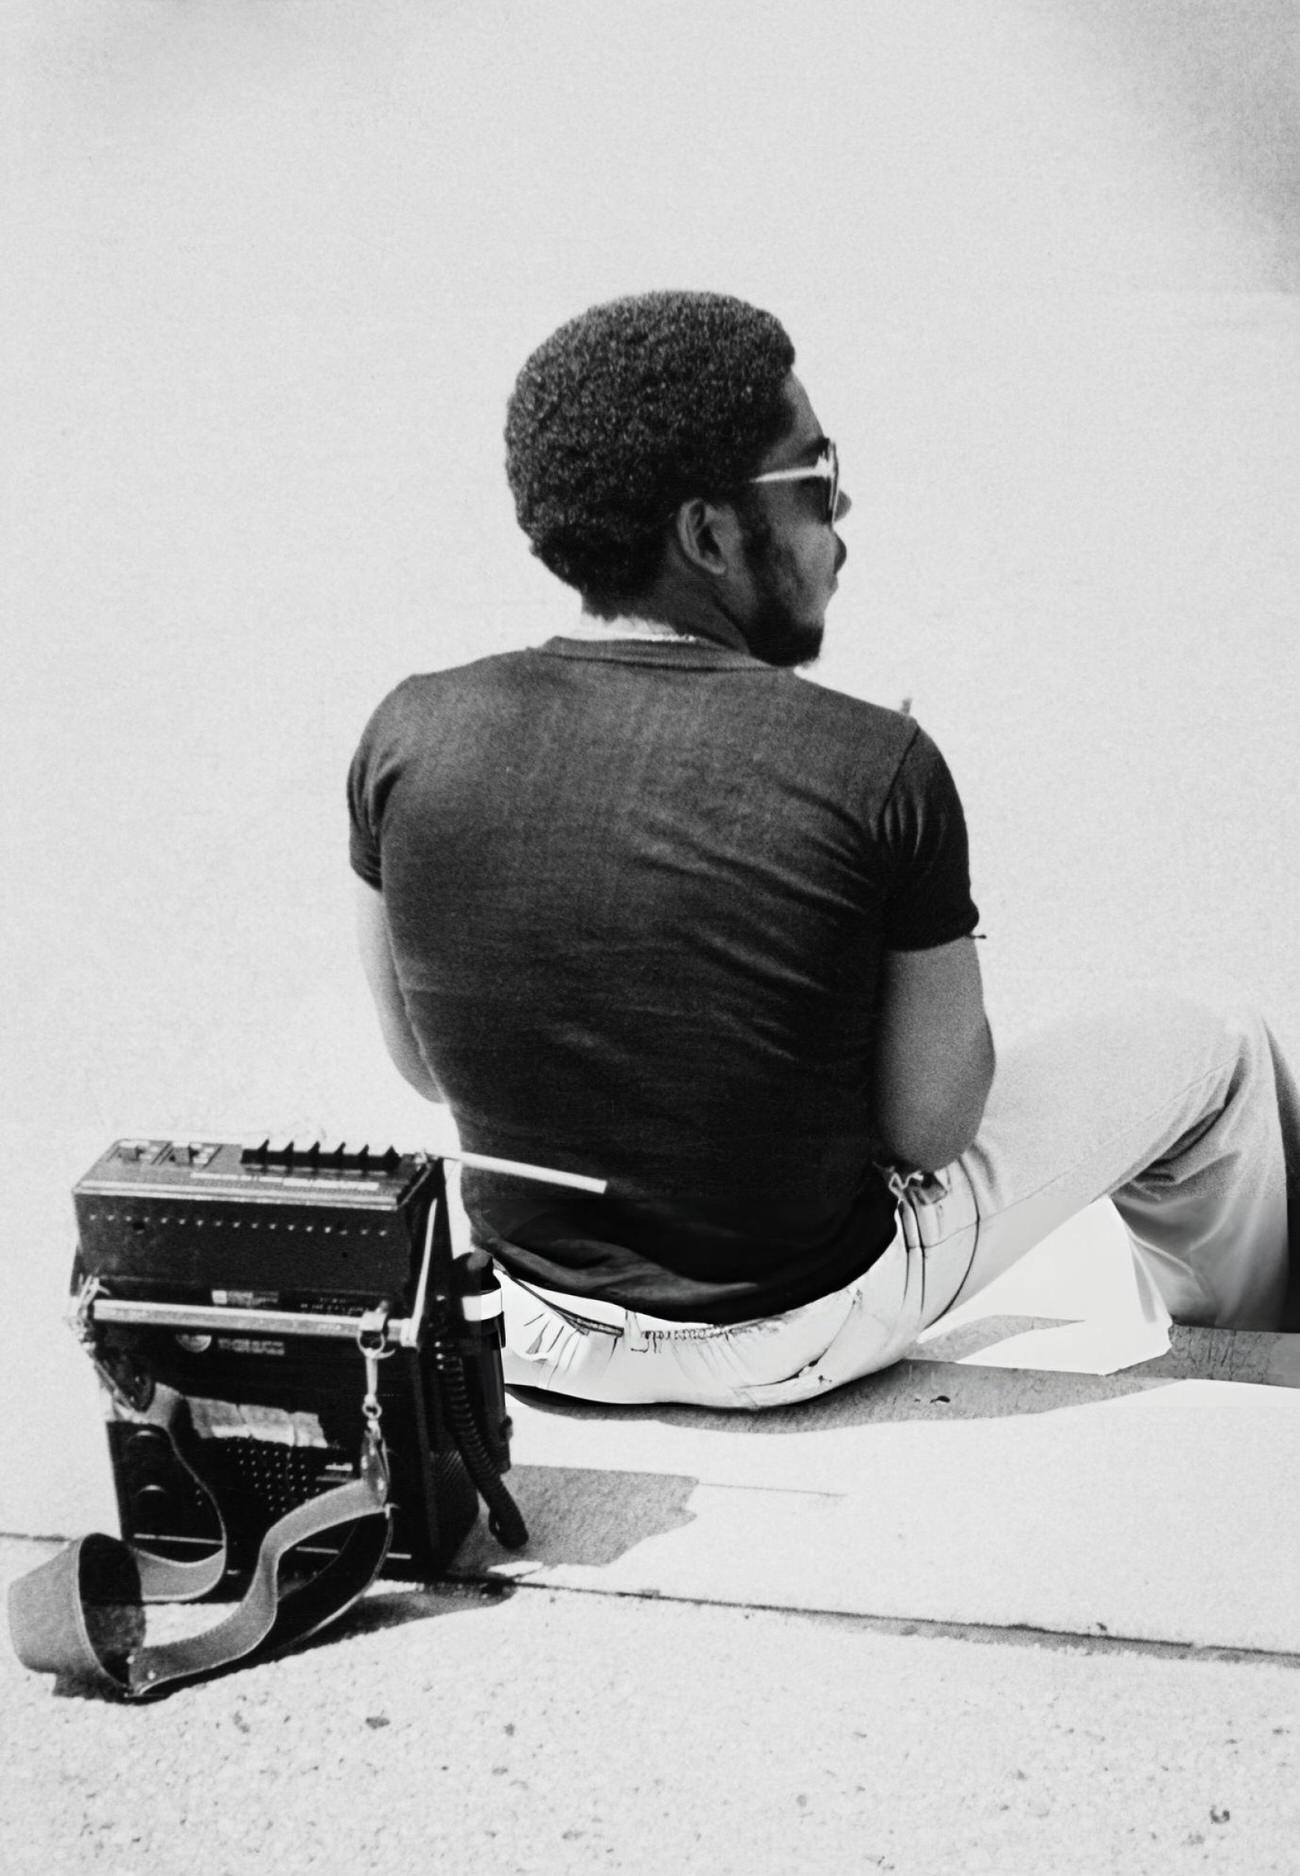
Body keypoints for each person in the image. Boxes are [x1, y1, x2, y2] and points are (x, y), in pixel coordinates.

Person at [349, 288, 1298, 1411]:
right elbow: (932, 1128)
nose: (841, 520)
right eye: (814, 482)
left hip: (531, 1328)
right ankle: (1255, 1391)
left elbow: (420, 1065)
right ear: (707, 534)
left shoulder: (410, 730)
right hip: (792, 1328)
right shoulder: (872, 763)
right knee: (1222, 1049)